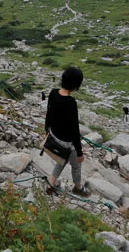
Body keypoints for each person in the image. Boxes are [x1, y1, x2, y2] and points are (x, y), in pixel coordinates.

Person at [44, 66, 90, 196]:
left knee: (63, 159)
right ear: (76, 85)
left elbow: (49, 112)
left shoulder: (53, 93)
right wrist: (80, 152)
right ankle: (78, 187)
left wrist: (46, 129)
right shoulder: (70, 102)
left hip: (54, 135)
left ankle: (51, 184)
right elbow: (74, 129)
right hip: (66, 142)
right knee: (76, 163)